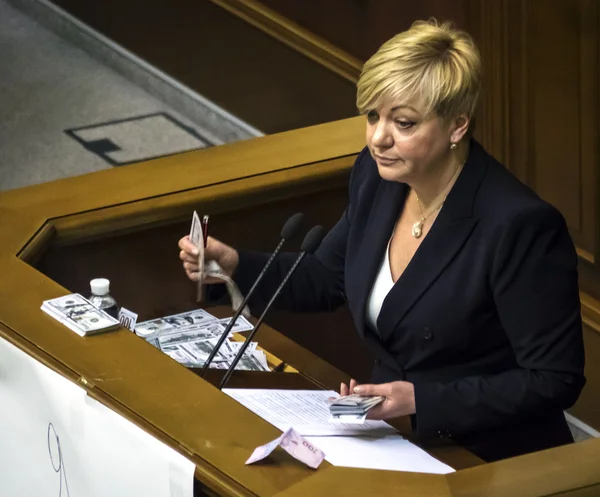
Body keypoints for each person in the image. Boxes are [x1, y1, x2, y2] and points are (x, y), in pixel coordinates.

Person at [178, 19, 585, 462]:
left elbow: (554, 378)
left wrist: (422, 400)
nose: (378, 138)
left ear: (457, 126)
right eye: (372, 116)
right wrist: (236, 264)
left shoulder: (518, 225)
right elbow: (326, 276)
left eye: (404, 123)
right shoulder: (378, 178)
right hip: (393, 435)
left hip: (488, 453)